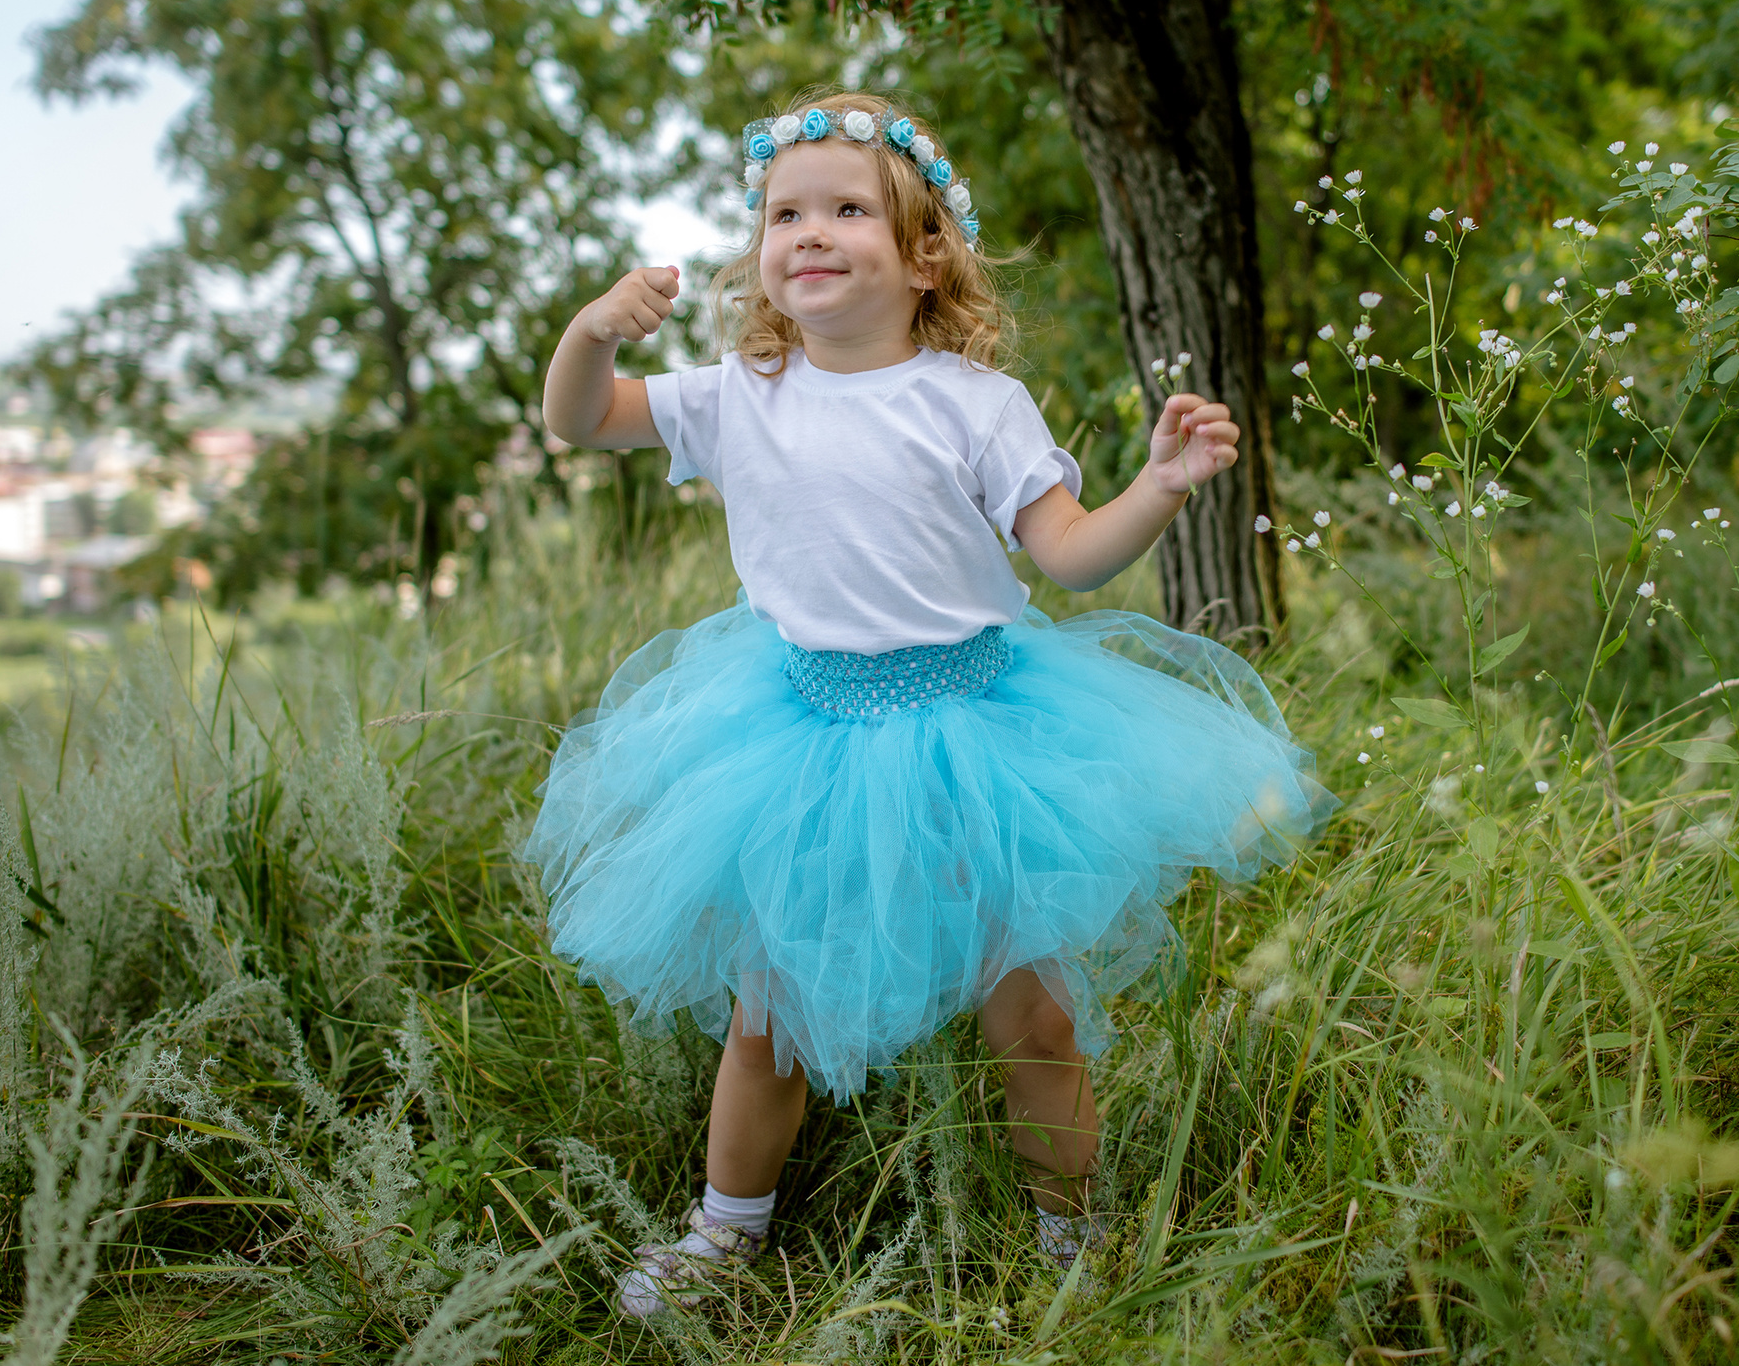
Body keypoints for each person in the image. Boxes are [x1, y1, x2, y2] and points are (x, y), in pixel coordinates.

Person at [529, 89, 1330, 1318]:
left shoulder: (973, 402)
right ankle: (723, 1228)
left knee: (1034, 1017)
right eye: (784, 211)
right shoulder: (740, 390)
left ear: (922, 255)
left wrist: (1159, 485)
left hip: (981, 735)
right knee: (768, 1020)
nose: (809, 231)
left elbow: (1065, 553)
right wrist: (594, 332)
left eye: (847, 208)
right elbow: (579, 420)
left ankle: (1073, 1234)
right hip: (798, 740)